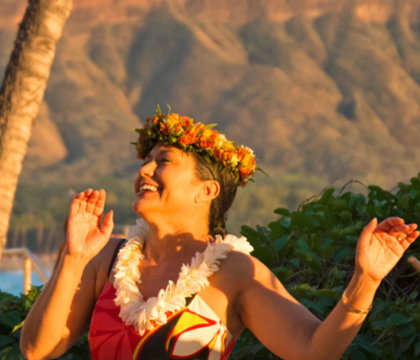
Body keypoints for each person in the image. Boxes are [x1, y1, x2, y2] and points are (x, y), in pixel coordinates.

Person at [20, 108, 419, 360]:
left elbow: (314, 350)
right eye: (145, 162)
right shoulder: (101, 257)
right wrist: (72, 259)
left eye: (163, 162)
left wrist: (365, 280)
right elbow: (37, 350)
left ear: (206, 191)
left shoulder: (236, 273)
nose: (144, 171)